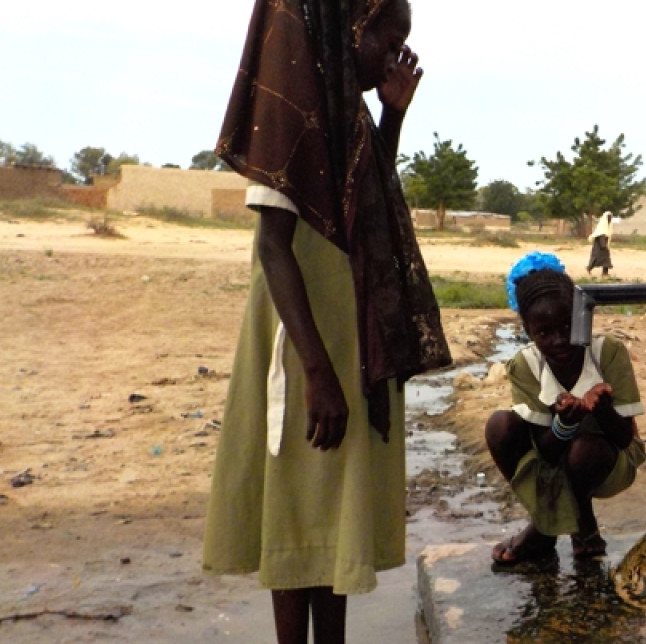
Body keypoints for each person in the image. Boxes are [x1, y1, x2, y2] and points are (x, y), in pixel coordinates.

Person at [202, 1, 451, 642]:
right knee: (296, 501)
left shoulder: (352, 118)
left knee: (332, 507)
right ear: (351, 32)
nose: (396, 53)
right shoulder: (291, 117)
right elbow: (272, 248)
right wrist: (316, 371)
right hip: (304, 342)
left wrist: (393, 116)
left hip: (350, 332)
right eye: (389, 37)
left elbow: (370, 199)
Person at [485, 251, 646, 565]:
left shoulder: (607, 352)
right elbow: (546, 452)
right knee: (500, 425)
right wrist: (564, 423)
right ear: (528, 332)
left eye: (567, 326)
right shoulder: (526, 365)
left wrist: (601, 409)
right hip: (555, 456)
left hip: (609, 459)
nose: (559, 340)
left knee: (584, 450)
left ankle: (567, 523)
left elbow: (625, 438)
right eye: (544, 333)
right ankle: (548, 527)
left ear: (581, 317)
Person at [586, 211, 614, 276]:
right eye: (608, 218)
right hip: (599, 249)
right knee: (595, 260)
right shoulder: (602, 229)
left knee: (606, 262)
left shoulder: (607, 229)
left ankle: (605, 273)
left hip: (604, 249)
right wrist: (604, 246)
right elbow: (602, 240)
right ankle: (589, 268)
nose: (609, 220)